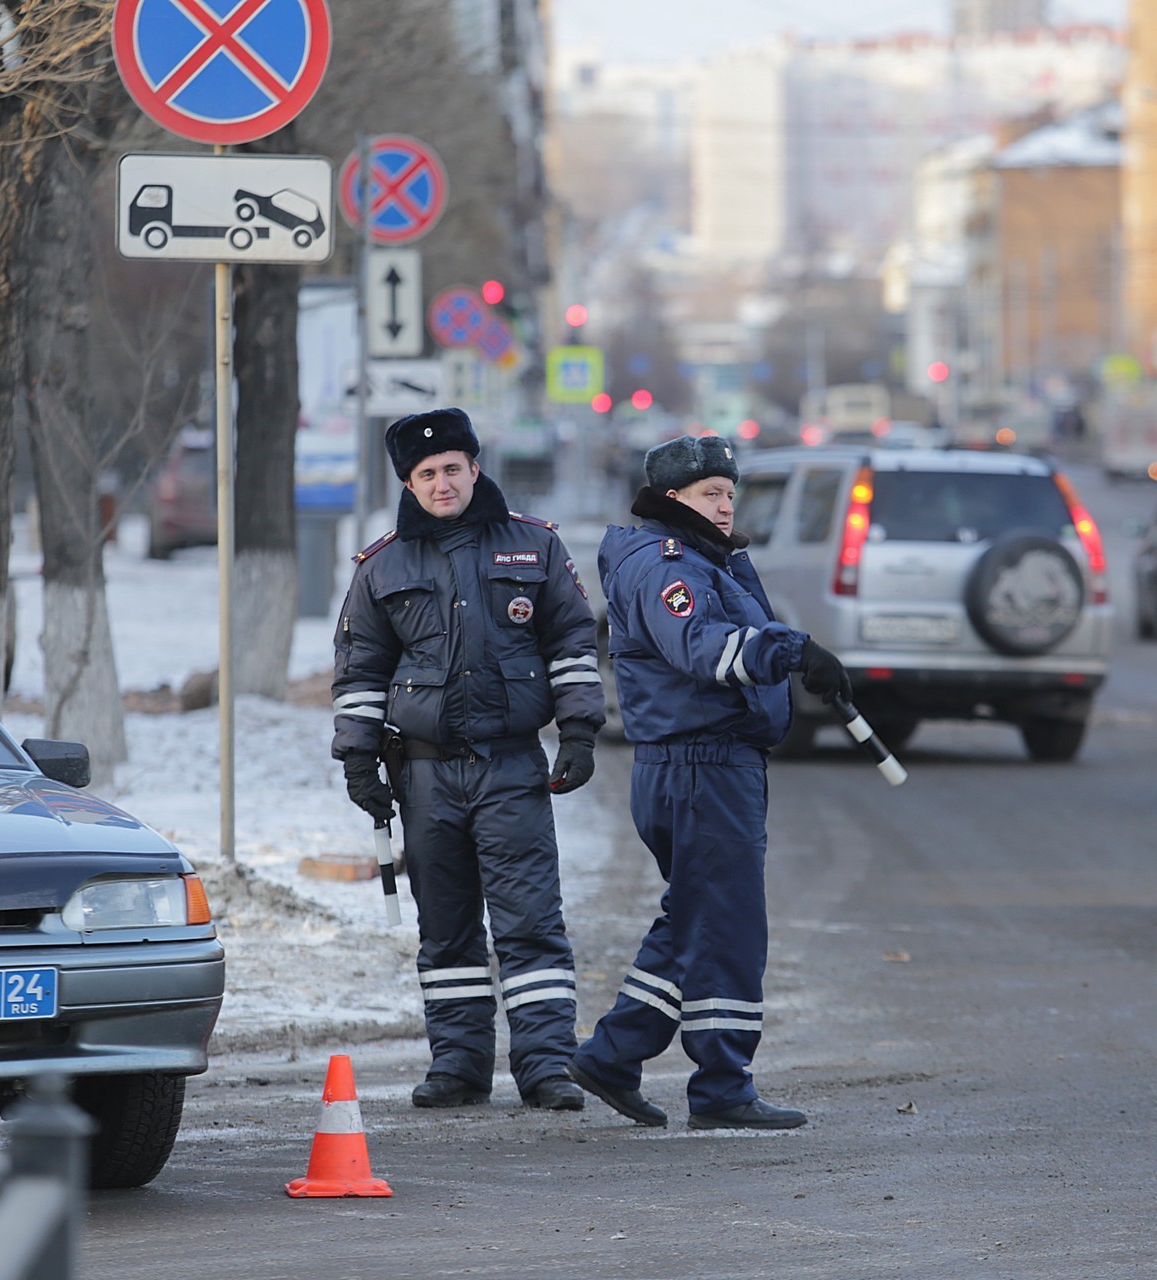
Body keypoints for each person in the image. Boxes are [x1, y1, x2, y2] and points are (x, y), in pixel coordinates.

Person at [565, 434, 850, 1130]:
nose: (724, 506)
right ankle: (722, 1085)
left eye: (728, 493)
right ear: (672, 501)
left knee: (695, 919)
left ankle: (614, 1054)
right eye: (708, 495)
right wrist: (792, 650)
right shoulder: (668, 567)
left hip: (711, 763)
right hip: (699, 765)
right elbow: (704, 650)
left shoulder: (704, 558)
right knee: (727, 928)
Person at [331, 407, 602, 1111]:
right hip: (423, 776)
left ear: (475, 469)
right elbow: (359, 673)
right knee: (445, 928)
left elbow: (572, 643)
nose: (442, 482)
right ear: (409, 484)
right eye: (427, 473)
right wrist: (359, 764)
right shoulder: (382, 566)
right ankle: (458, 1064)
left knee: (530, 923)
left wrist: (578, 732)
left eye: (453, 467)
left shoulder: (533, 546)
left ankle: (547, 1066)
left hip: (511, 767)